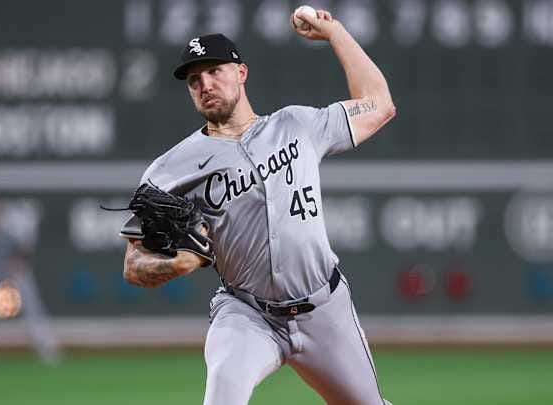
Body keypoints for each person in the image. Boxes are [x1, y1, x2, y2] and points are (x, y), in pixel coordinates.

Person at [122, 8, 395, 405]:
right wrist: (173, 265)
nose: (205, 84)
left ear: (241, 73)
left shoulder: (297, 125)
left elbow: (379, 104)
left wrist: (335, 33)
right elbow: (133, 265)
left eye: (214, 71)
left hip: (324, 309)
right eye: (194, 80)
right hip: (247, 314)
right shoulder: (168, 171)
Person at [0, 199, 61, 366]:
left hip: (13, 274)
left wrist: (15, 263)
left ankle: (46, 348)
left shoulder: (8, 235)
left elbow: (23, 255)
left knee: (32, 305)